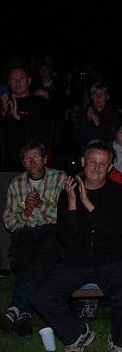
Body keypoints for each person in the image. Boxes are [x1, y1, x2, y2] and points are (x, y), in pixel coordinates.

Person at [32, 142, 122, 352]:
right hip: (75, 262)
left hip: (112, 261)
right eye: (92, 162)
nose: (96, 168)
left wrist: (87, 203)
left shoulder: (120, 194)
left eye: (102, 164)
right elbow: (65, 238)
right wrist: (72, 202)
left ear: (109, 168)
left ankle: (118, 342)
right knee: (42, 297)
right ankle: (78, 334)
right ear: (82, 163)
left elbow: (116, 232)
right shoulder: (67, 193)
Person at [1, 142, 66, 335]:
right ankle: (25, 314)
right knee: (20, 260)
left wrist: (40, 204)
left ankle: (15, 308)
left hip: (52, 231)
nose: (31, 161)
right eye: (26, 158)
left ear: (45, 159)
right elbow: (9, 223)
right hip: (25, 233)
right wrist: (27, 211)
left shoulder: (60, 178)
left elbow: (66, 215)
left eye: (36, 156)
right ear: (23, 163)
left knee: (38, 261)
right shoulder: (16, 184)